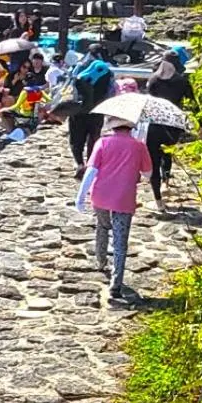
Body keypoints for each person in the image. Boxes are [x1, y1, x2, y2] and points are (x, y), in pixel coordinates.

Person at [82, 117, 152, 298]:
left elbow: (91, 170)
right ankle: (116, 282)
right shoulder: (139, 146)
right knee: (121, 241)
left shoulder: (102, 142)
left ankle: (100, 259)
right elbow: (148, 174)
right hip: (124, 197)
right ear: (131, 127)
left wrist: (80, 196)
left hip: (101, 195)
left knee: (103, 225)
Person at [146, 50, 193, 210]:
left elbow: (148, 103)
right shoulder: (183, 82)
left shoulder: (153, 80)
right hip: (173, 125)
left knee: (154, 159)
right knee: (167, 154)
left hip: (154, 125)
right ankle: (166, 182)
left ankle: (158, 200)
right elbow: (193, 103)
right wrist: (201, 124)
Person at [69, 44, 114, 175]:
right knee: (94, 138)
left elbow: (71, 84)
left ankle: (79, 163)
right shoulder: (107, 70)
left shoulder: (80, 66)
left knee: (76, 139)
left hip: (79, 109)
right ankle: (91, 165)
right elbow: (111, 90)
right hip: (97, 109)